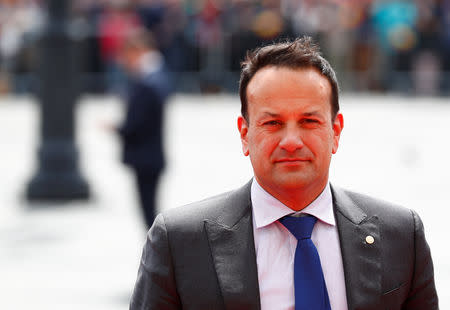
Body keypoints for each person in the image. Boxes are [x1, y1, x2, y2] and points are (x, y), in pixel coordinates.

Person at [129, 37, 438, 309]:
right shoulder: (180, 242)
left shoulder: (400, 236)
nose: (291, 142)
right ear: (244, 134)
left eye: (309, 122)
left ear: (336, 131)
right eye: (273, 123)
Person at [117, 28, 171, 229]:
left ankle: (158, 254)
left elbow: (136, 123)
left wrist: (118, 128)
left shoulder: (148, 81)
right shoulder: (153, 76)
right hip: (151, 155)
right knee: (148, 209)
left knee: (148, 210)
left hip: (146, 156)